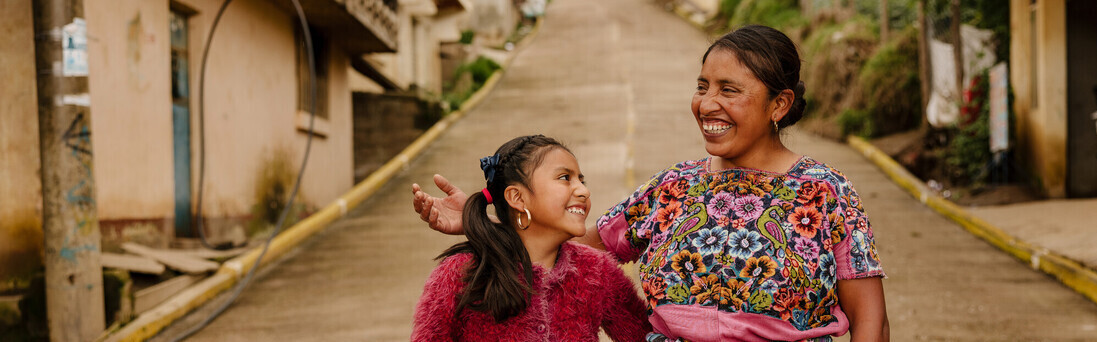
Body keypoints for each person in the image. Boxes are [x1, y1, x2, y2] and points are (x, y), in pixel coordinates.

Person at [412, 25, 889, 342]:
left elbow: (871, 321)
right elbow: (567, 249)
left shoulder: (826, 192)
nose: (707, 104)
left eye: (729, 90)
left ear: (778, 104)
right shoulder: (672, 188)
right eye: (702, 86)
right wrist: (489, 223)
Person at [410, 135, 651, 341]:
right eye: (565, 178)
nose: (583, 190)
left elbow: (645, 336)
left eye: (581, 180)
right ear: (517, 197)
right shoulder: (459, 274)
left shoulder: (597, 271)